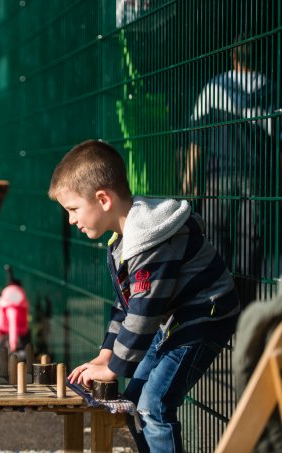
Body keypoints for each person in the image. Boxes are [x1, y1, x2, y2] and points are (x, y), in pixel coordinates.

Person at [49, 140, 240, 452]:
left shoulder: (149, 243)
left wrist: (113, 369)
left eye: (73, 209)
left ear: (103, 199)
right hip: (174, 320)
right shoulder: (124, 241)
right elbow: (125, 307)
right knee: (133, 402)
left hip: (205, 316)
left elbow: (143, 314)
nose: (71, 220)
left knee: (154, 405)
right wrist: (106, 353)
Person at [183, 36, 277, 306]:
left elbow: (197, 141)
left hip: (217, 179)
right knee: (251, 246)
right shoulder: (271, 90)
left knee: (215, 243)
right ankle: (244, 313)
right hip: (256, 180)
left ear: (232, 56)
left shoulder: (213, 89)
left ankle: (220, 307)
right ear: (258, 58)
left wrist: (189, 183)